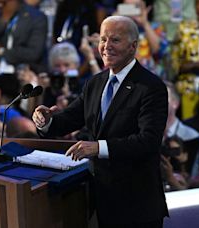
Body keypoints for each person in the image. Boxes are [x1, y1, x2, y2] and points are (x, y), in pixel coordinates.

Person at [32, 16, 168, 227]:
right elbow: (69, 119)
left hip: (137, 206)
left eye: (115, 40)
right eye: (103, 39)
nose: (106, 46)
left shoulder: (150, 87)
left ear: (133, 47)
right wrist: (46, 121)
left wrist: (97, 148)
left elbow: (148, 141)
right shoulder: (95, 83)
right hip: (101, 200)